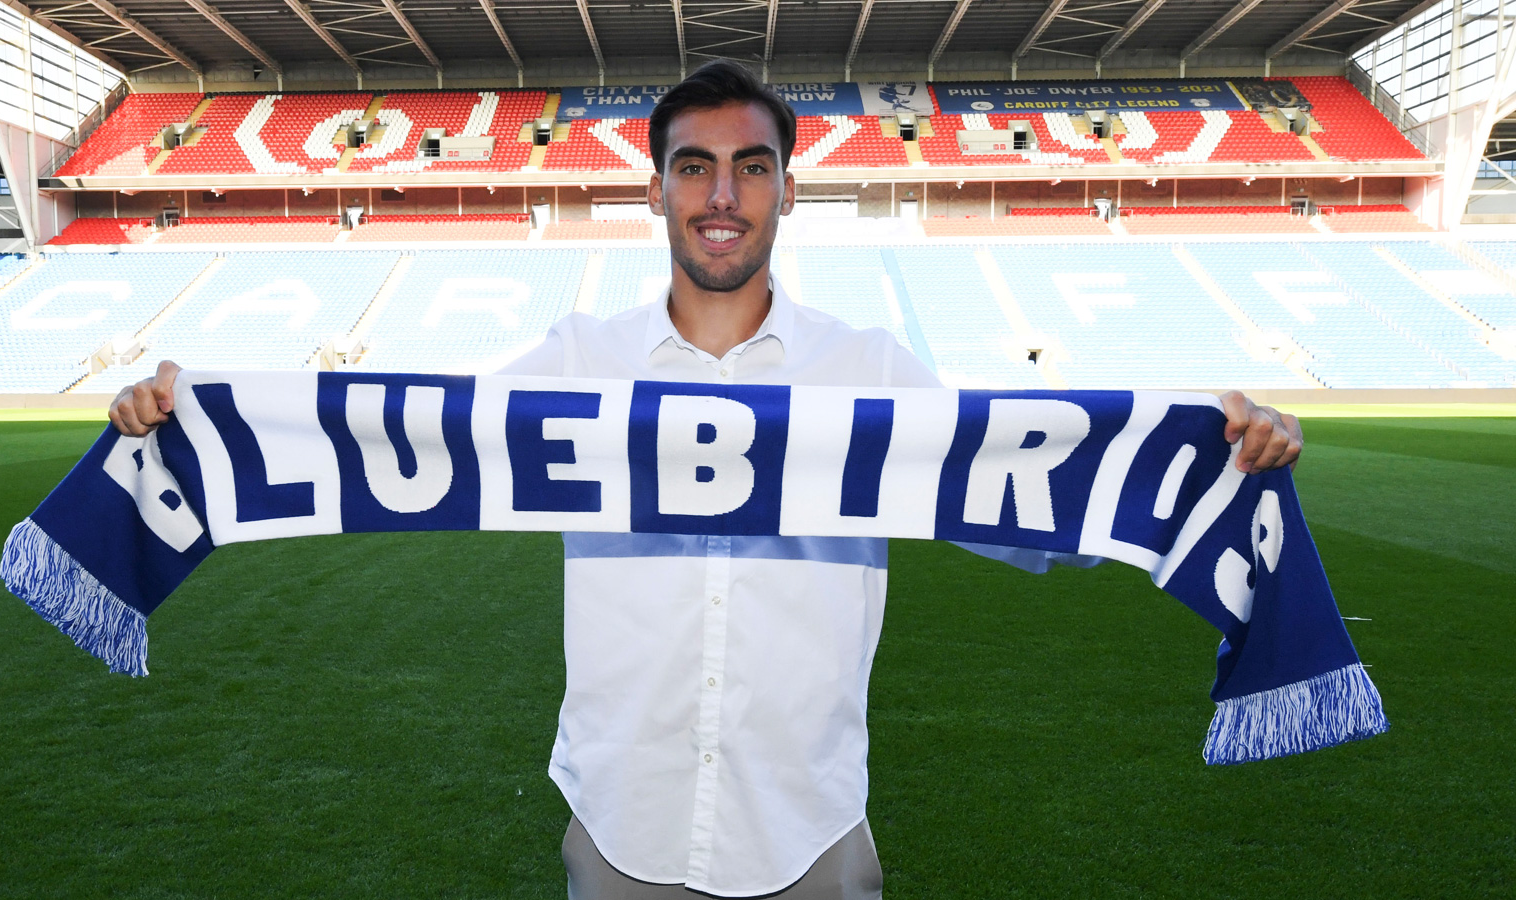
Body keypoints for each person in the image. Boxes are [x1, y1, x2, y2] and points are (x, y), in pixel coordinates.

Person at [109, 61, 1302, 900]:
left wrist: (1206, 441)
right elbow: (395, 432)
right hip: (621, 817)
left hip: (813, 823)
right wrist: (188, 415)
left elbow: (1023, 512)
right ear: (656, 190)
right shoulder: (573, 366)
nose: (720, 195)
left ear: (786, 187)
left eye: (748, 167)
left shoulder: (870, 370)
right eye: (693, 167)